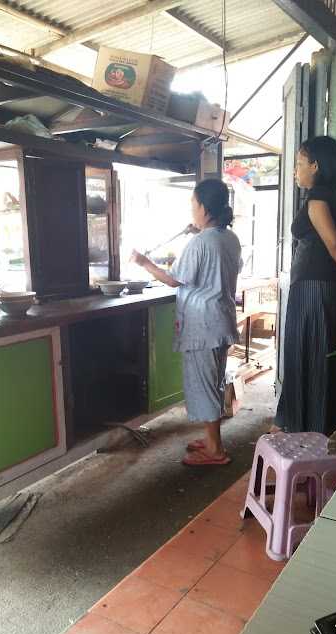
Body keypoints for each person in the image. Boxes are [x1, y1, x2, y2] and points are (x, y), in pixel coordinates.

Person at [130, 178, 242, 466]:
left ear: (205, 208)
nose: (191, 210)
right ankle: (210, 439)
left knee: (204, 385)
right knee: (213, 382)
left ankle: (215, 450)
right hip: (221, 322)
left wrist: (144, 262)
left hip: (204, 326)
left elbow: (172, 279)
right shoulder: (228, 238)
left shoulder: (200, 242)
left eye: (193, 204)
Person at [271, 135, 336, 435]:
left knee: (310, 356)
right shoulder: (325, 195)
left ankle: (309, 429)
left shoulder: (318, 197)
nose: (296, 170)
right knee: (315, 355)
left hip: (313, 289)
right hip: (317, 287)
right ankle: (309, 425)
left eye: (299, 163)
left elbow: (334, 243)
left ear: (316, 165)